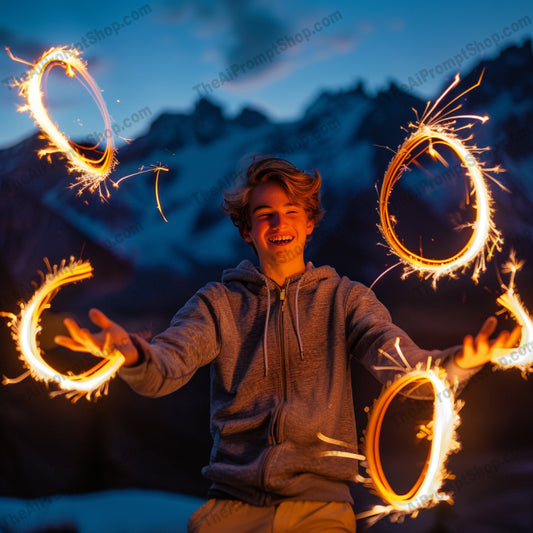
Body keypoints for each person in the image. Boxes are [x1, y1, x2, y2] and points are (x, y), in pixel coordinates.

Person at [55, 155, 520, 533]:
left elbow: (403, 368)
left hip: (320, 512)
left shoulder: (346, 300)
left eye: (291, 212)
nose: (279, 223)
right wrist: (134, 353)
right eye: (265, 215)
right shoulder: (216, 303)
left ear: (310, 222)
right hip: (230, 512)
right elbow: (165, 367)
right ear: (246, 230)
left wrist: (459, 362)